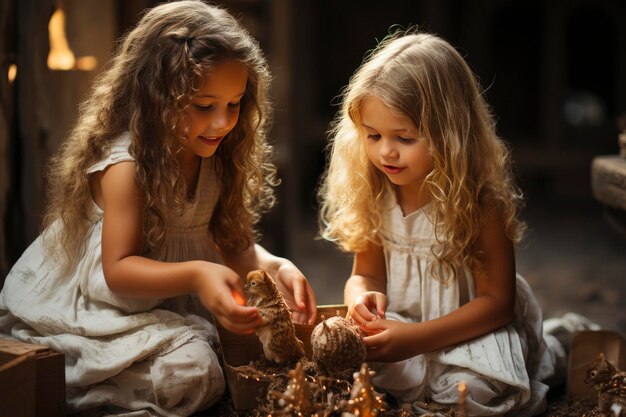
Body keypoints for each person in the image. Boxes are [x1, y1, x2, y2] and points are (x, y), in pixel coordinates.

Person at [0, 1, 317, 415]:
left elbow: (233, 245)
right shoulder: (127, 168)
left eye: (235, 104)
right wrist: (198, 274)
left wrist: (275, 267)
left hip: (165, 312)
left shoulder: (218, 158)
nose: (223, 123)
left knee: (222, 358)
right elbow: (118, 272)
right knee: (195, 369)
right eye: (204, 106)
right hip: (102, 314)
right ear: (156, 98)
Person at [318, 30, 595, 416]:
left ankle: (557, 347)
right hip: (406, 326)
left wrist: (416, 339)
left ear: (450, 133)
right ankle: (547, 346)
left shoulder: (479, 203)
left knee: (475, 393)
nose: (386, 151)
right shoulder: (375, 192)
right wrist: (360, 299)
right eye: (373, 135)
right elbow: (366, 274)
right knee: (352, 369)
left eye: (405, 137)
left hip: (470, 331)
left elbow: (497, 304)